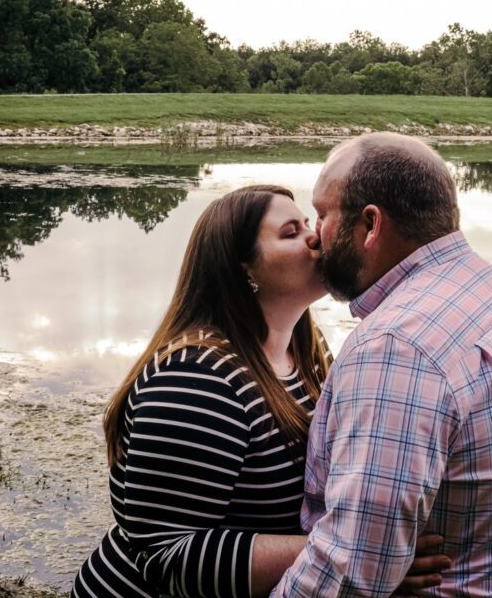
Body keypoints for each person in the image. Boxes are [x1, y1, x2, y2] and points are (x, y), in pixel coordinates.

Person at [72, 184, 449, 598]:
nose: (315, 236)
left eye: (309, 223)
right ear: (244, 270)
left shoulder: (307, 350)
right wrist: (352, 558)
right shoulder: (197, 380)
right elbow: (169, 557)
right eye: (290, 233)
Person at [272, 133, 492, 598]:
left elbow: (350, 571)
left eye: (323, 213)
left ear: (370, 224)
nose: (316, 234)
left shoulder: (397, 350)